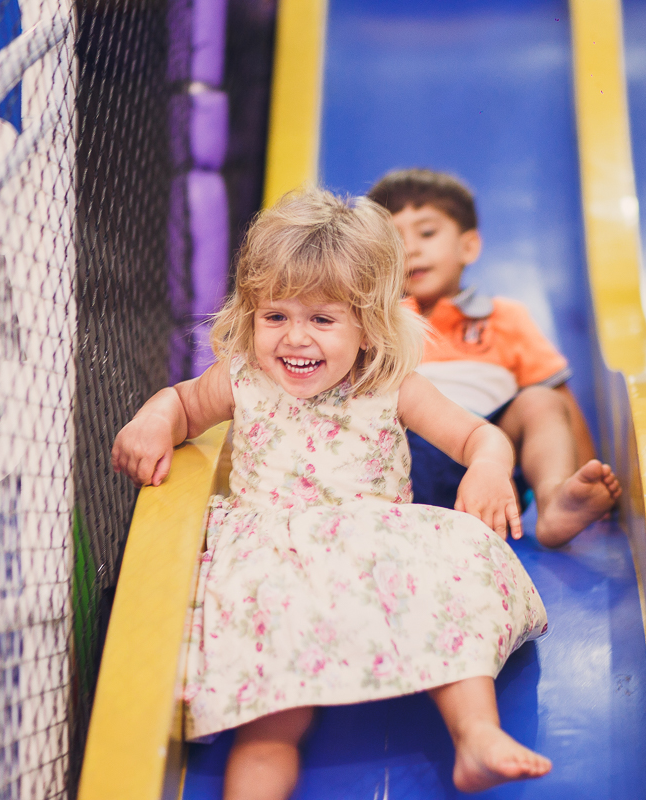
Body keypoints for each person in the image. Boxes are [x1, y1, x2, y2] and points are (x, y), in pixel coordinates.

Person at [112, 188, 553, 799]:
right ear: (251, 315)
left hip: (377, 546)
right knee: (270, 714)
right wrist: (153, 420)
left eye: (322, 319)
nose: (295, 339)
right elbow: (184, 404)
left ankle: (476, 736)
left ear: (368, 327)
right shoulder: (245, 378)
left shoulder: (390, 385)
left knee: (449, 591)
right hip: (275, 559)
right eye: (276, 317)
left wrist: (487, 466)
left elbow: (478, 435)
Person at [367, 168, 621, 547]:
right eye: (393, 239)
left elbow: (561, 403)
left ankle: (556, 501)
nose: (410, 249)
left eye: (427, 233)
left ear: (468, 246)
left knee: (541, 400)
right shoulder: (374, 320)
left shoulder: (503, 317)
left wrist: (588, 479)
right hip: (400, 462)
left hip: (489, 462)